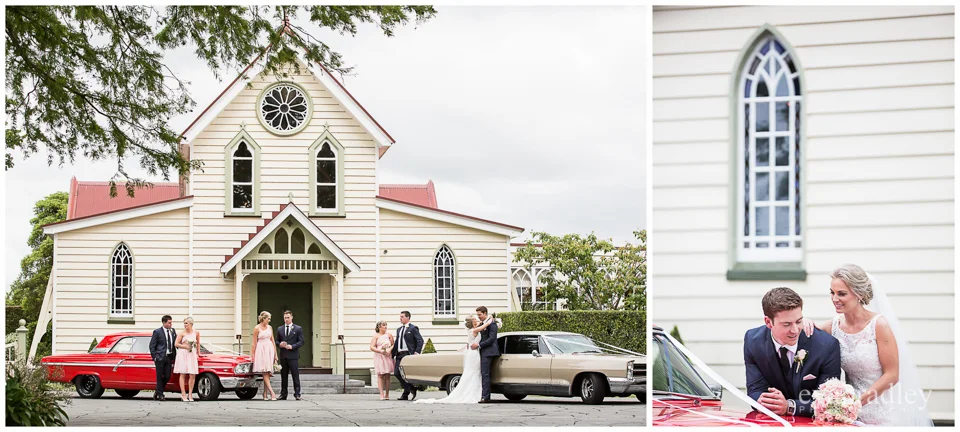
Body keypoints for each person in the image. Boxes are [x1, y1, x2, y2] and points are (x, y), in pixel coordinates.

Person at [802, 264, 933, 426]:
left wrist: (856, 402)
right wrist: (805, 322)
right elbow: (808, 332)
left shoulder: (879, 325)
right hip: (851, 414)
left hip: (884, 411)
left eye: (841, 294)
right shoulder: (833, 326)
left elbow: (892, 374)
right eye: (832, 293)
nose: (835, 299)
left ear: (859, 294)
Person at [744, 287, 841, 418]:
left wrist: (790, 406)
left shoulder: (826, 345)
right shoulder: (753, 340)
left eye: (799, 321)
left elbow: (829, 401)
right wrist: (767, 402)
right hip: (770, 423)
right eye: (787, 324)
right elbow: (755, 389)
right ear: (768, 322)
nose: (795, 330)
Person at [416, 315, 494, 404]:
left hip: (472, 353)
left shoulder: (471, 330)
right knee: (475, 373)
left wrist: (485, 320)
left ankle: (476, 393)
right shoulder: (475, 330)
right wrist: (490, 321)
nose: (477, 320)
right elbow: (485, 325)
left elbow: (481, 324)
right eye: (475, 320)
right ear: (472, 322)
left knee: (473, 373)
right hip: (474, 354)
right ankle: (475, 394)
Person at [391, 310, 424, 400]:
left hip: (408, 354)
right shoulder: (399, 330)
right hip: (399, 354)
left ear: (408, 318)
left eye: (402, 316)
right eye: (400, 316)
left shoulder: (413, 328)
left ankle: (405, 394)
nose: (400, 318)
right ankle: (410, 388)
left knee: (405, 374)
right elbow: (397, 343)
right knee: (397, 373)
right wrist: (392, 355)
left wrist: (416, 352)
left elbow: (420, 340)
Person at [471, 306, 499, 403]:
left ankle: (485, 397)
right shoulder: (484, 323)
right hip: (482, 351)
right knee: (483, 373)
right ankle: (483, 394)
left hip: (489, 352)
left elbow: (491, 339)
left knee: (485, 374)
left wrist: (479, 345)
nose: (479, 317)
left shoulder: (492, 324)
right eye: (478, 315)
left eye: (480, 315)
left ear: (485, 313)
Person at [276, 310, 304, 400]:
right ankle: (283, 394)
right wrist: (280, 344)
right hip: (283, 355)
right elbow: (276, 340)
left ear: (292, 317)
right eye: (285, 318)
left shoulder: (298, 328)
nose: (286, 319)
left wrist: (293, 346)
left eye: (288, 317)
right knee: (283, 376)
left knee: (295, 375)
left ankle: (297, 393)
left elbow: (301, 341)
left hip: (293, 355)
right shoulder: (280, 329)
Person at [251, 311, 279, 401]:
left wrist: (275, 354)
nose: (269, 320)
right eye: (268, 318)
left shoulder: (270, 328)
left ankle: (265, 393)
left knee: (268, 372)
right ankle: (272, 392)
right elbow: (254, 343)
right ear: (263, 318)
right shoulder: (257, 328)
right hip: (261, 350)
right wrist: (252, 355)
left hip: (269, 349)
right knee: (265, 371)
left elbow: (273, 341)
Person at [149, 315, 176, 401]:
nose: (171, 324)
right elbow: (152, 345)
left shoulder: (172, 331)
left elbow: (175, 344)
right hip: (160, 357)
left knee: (167, 376)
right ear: (164, 323)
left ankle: (158, 390)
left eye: (171, 322)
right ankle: (161, 394)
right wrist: (154, 357)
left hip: (169, 357)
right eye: (169, 323)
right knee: (159, 376)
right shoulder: (157, 332)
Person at [173, 316, 201, 402]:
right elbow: (176, 344)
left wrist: (198, 353)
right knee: (183, 373)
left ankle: (190, 394)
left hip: (191, 354)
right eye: (184, 323)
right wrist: (184, 346)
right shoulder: (181, 333)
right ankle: (183, 394)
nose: (185, 325)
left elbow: (198, 343)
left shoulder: (196, 333)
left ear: (191, 324)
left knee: (192, 374)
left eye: (186, 323)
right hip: (183, 354)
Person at [369, 320, 395, 400]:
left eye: (386, 325)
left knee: (387, 375)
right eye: (384, 325)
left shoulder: (389, 335)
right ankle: (381, 394)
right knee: (380, 375)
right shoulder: (376, 336)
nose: (385, 327)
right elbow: (372, 347)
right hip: (379, 356)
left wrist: (389, 350)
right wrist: (380, 351)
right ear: (379, 327)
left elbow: (393, 344)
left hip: (387, 356)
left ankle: (387, 394)